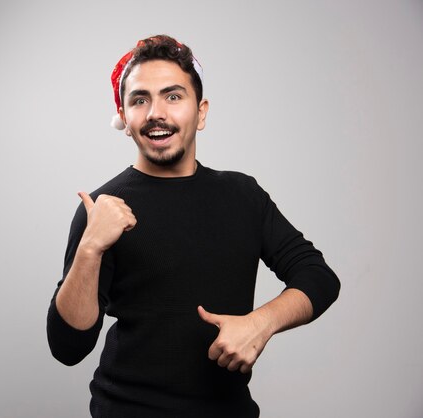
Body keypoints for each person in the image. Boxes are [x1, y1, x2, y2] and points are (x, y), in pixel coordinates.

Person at [46, 34, 340, 418]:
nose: (156, 112)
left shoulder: (242, 195)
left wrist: (260, 324)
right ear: (126, 116)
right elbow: (68, 347)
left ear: (200, 113)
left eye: (173, 96)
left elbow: (318, 276)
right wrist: (90, 248)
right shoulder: (101, 209)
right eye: (139, 99)